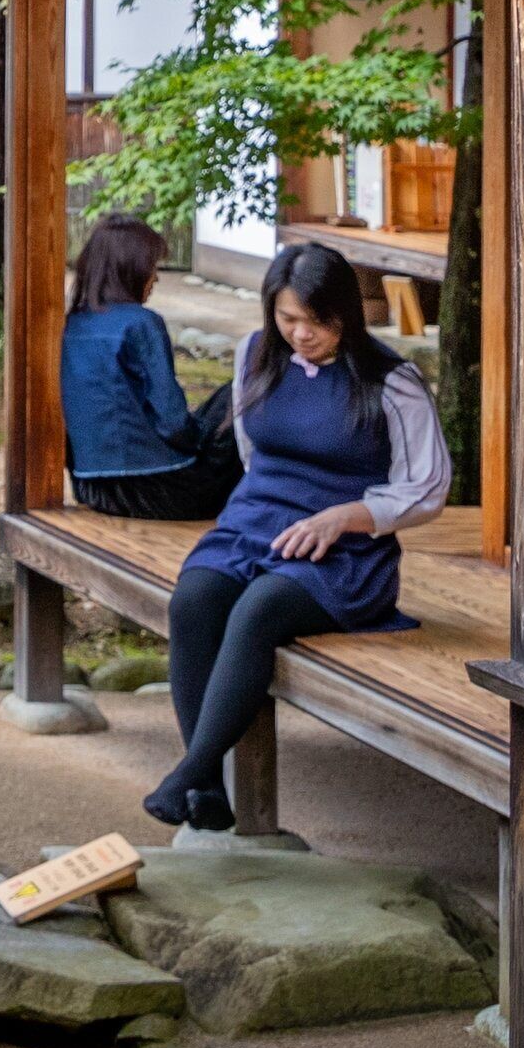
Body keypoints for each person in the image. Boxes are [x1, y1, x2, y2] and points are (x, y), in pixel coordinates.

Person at [142, 243, 449, 831]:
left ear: (347, 314)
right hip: (256, 518)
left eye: (317, 321)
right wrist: (260, 508)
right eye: (288, 320)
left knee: (259, 609)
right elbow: (253, 452)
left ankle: (191, 770)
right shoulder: (255, 353)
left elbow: (428, 487)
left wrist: (344, 517)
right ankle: (206, 787)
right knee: (195, 600)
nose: (301, 334)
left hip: (348, 549)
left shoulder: (391, 381)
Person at [59, 215, 241, 518]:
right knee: (245, 393)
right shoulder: (142, 324)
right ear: (130, 269)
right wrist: (204, 435)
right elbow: (173, 424)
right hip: (159, 488)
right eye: (152, 267)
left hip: (91, 487)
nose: (155, 278)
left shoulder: (70, 324)